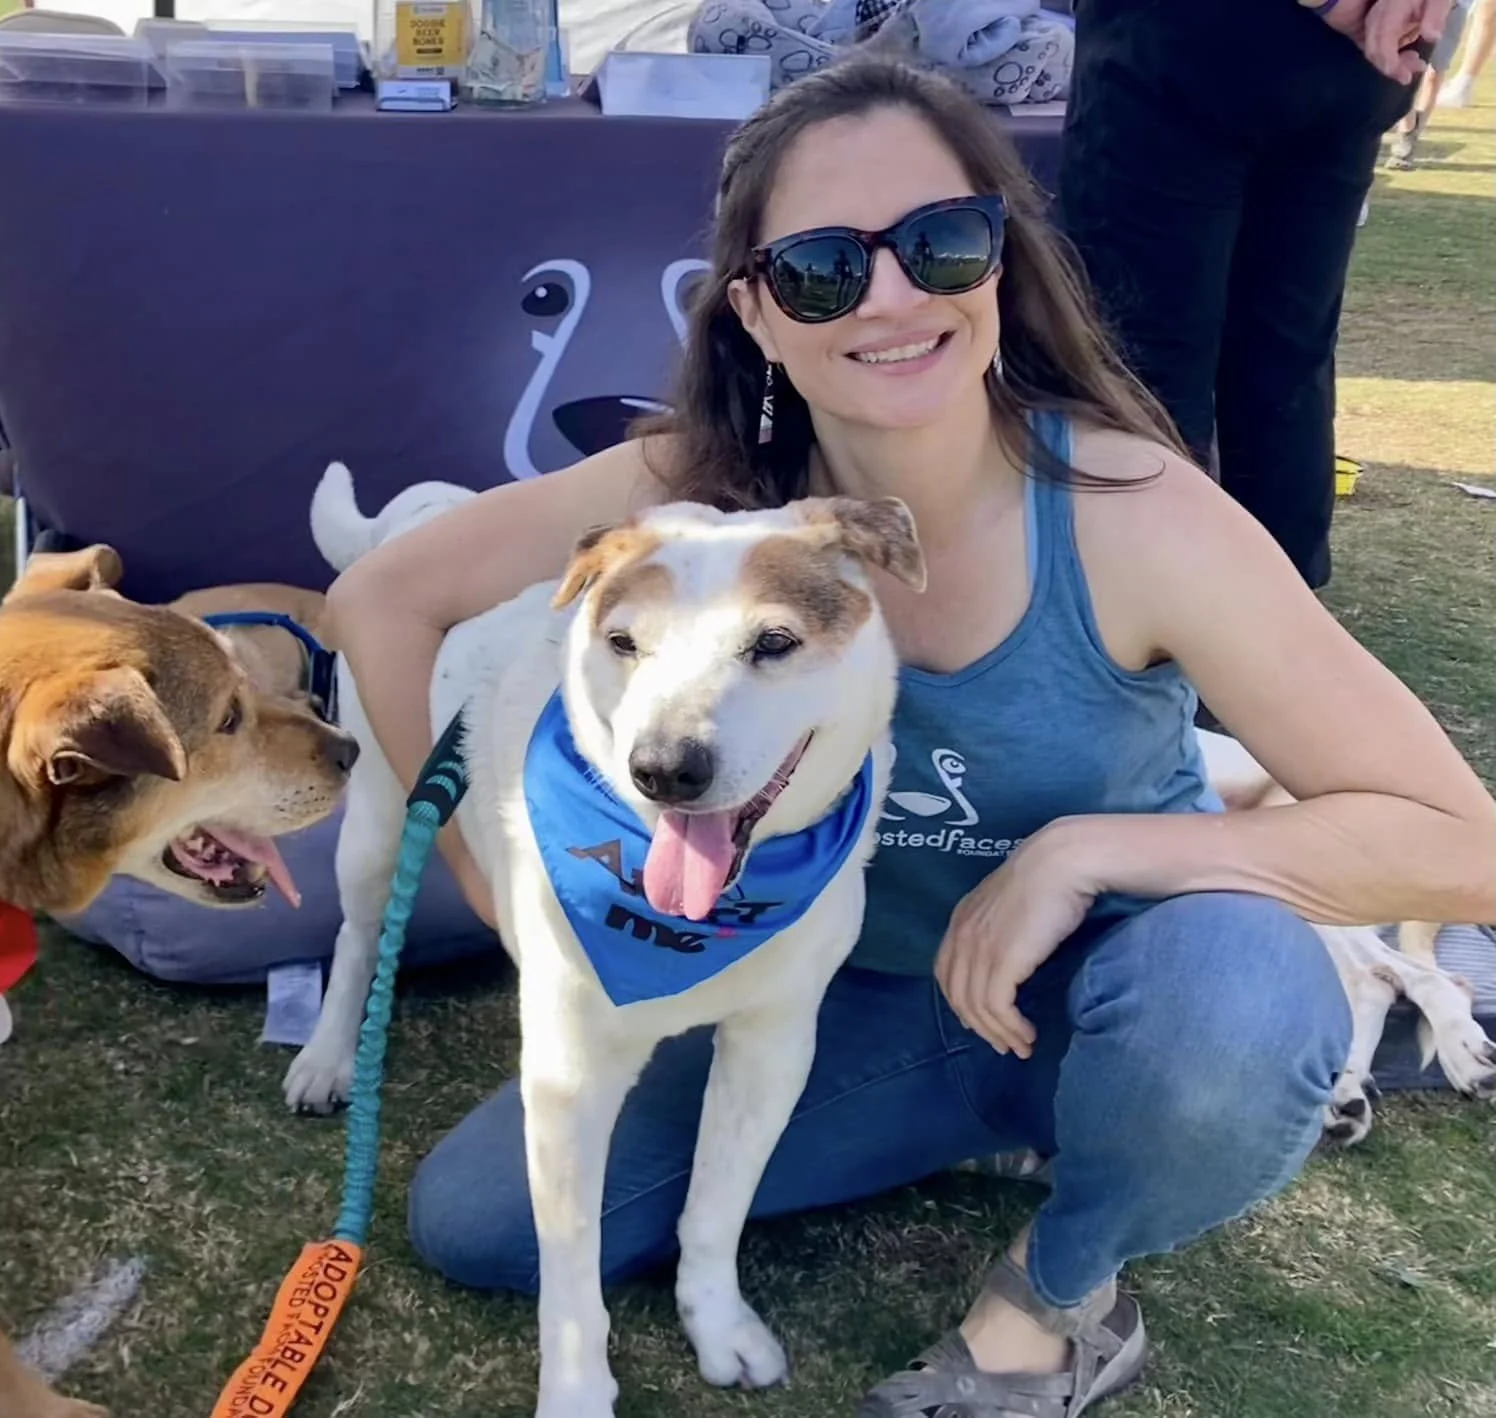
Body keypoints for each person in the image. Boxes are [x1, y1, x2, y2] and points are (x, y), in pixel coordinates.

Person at [324, 55, 1496, 1418]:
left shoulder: (1134, 513)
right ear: (754, 312)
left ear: (1002, 258)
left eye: (943, 244)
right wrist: (464, 856)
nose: (891, 298)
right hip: (836, 1001)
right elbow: (379, 598)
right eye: (823, 269)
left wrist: (1079, 849)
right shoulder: (700, 498)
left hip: (1109, 990)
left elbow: (1464, 843)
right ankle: (988, 1134)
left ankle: (1054, 1297)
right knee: (482, 1224)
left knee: (1239, 999)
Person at [1054, 0, 1455, 592]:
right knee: (1285, 358)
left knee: (1143, 367)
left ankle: (1159, 628)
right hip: (1343, 54)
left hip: (1199, 45)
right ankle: (1275, 625)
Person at [1388, 0, 1490, 167]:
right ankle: (1408, 126)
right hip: (1419, 5)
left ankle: (1409, 136)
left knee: (1435, 70)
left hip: (1454, 8)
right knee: (1407, 68)